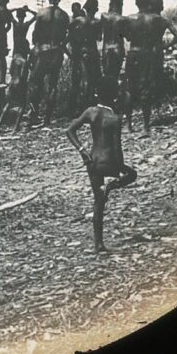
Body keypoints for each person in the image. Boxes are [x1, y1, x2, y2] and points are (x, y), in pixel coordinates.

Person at [66, 76, 137, 253]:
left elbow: (70, 130)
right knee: (132, 175)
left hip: (92, 161)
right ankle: (110, 186)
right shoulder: (114, 118)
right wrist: (120, 171)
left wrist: (82, 150)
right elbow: (116, 148)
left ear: (97, 94)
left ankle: (98, 243)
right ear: (114, 97)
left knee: (98, 202)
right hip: (108, 162)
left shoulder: (91, 111)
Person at [121, 0, 177, 136]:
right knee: (145, 88)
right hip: (148, 55)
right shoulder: (158, 19)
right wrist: (165, 46)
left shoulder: (129, 18)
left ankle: (128, 125)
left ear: (136, 3)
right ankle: (145, 126)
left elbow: (127, 37)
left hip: (133, 54)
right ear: (149, 3)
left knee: (129, 88)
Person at [26, 0, 70, 126]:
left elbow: (35, 36)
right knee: (53, 84)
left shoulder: (41, 13)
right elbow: (64, 36)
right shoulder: (64, 16)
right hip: (57, 52)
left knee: (34, 81)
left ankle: (34, 114)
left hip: (43, 52)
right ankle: (47, 119)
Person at [100, 0, 126, 79]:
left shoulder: (104, 16)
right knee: (115, 76)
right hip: (118, 48)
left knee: (106, 75)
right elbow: (127, 36)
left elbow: (100, 35)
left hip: (106, 48)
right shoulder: (122, 19)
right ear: (121, 3)